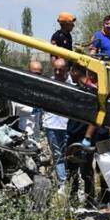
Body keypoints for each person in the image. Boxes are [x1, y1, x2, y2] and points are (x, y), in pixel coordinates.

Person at [66, 63, 106, 208]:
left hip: (84, 136)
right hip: (73, 134)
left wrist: (88, 138)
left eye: (71, 71)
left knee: (86, 169)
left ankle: (89, 200)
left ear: (75, 72)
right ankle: (72, 198)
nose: (70, 74)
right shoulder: (77, 90)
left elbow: (96, 117)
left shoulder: (92, 91)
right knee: (71, 168)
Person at [43, 58, 74, 186]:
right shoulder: (49, 83)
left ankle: (73, 182)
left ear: (67, 70)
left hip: (69, 126)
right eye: (55, 69)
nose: (57, 72)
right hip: (53, 126)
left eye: (60, 70)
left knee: (72, 155)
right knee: (58, 155)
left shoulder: (74, 84)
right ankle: (63, 184)